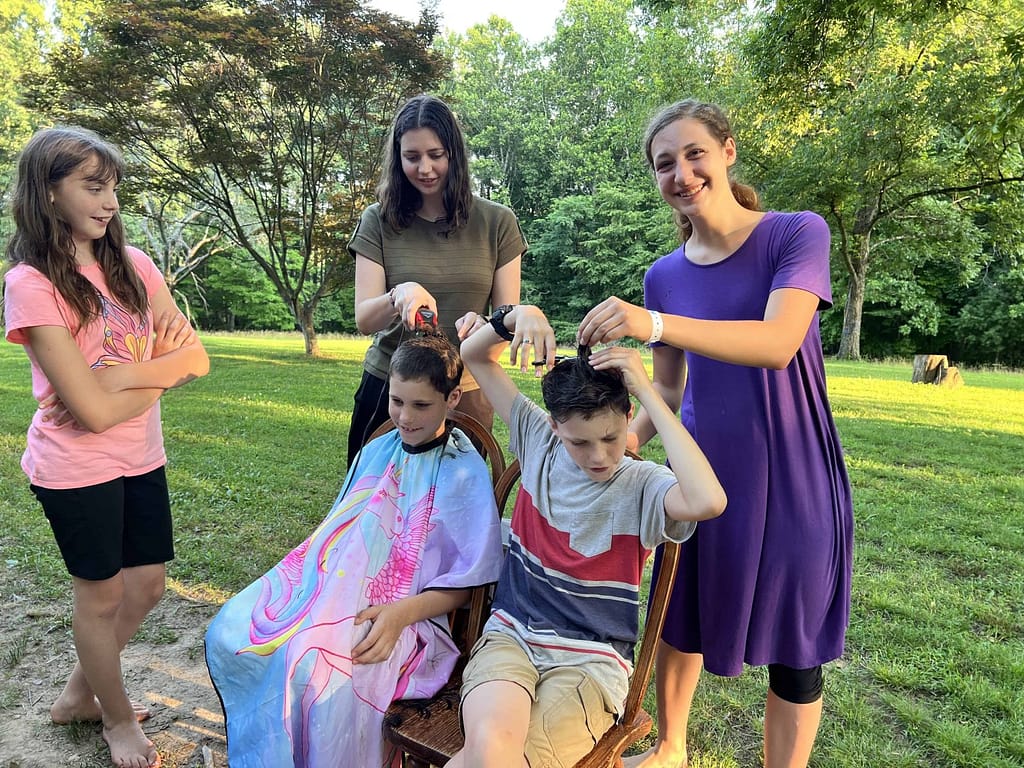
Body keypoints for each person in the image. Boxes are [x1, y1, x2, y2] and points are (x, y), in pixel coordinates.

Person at [577, 99, 854, 768]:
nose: (682, 173)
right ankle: (671, 746)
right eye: (664, 164)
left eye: (694, 153)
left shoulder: (796, 234)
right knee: (680, 613)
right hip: (701, 471)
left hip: (794, 472)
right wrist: (625, 444)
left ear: (728, 150)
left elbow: (777, 342)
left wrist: (654, 324)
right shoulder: (664, 276)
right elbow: (669, 392)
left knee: (796, 644)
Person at [2, 126, 210, 768]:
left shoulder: (136, 265)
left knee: (147, 585)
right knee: (100, 597)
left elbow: (195, 358)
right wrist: (157, 371)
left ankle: (75, 696)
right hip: (74, 466)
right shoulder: (31, 284)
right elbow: (89, 416)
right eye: (93, 187)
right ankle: (114, 718)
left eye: (113, 187)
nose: (110, 201)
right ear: (48, 192)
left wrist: (114, 378)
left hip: (141, 454)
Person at [445, 304, 727, 768]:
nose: (599, 456)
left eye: (612, 437)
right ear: (554, 426)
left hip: (591, 663)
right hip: (511, 638)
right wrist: (517, 316)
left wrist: (647, 390)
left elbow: (709, 501)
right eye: (580, 442)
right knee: (491, 752)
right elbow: (475, 355)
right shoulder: (537, 440)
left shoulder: (641, 485)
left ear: (629, 415)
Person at [205, 331, 504, 767]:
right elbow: (338, 535)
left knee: (319, 669)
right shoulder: (378, 450)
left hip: (407, 613)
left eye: (421, 405)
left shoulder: (463, 473)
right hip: (329, 587)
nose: (405, 417)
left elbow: (466, 585)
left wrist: (399, 614)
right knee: (234, 630)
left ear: (453, 398)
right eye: (397, 401)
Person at [346, 93, 526, 464]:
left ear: (454, 155)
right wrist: (398, 294)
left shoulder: (497, 223)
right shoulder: (377, 220)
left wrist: (486, 327)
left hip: (466, 393)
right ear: (398, 159)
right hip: (392, 391)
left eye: (436, 155)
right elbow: (365, 319)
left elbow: (506, 320)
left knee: (459, 501)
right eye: (412, 157)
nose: (425, 168)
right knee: (376, 498)